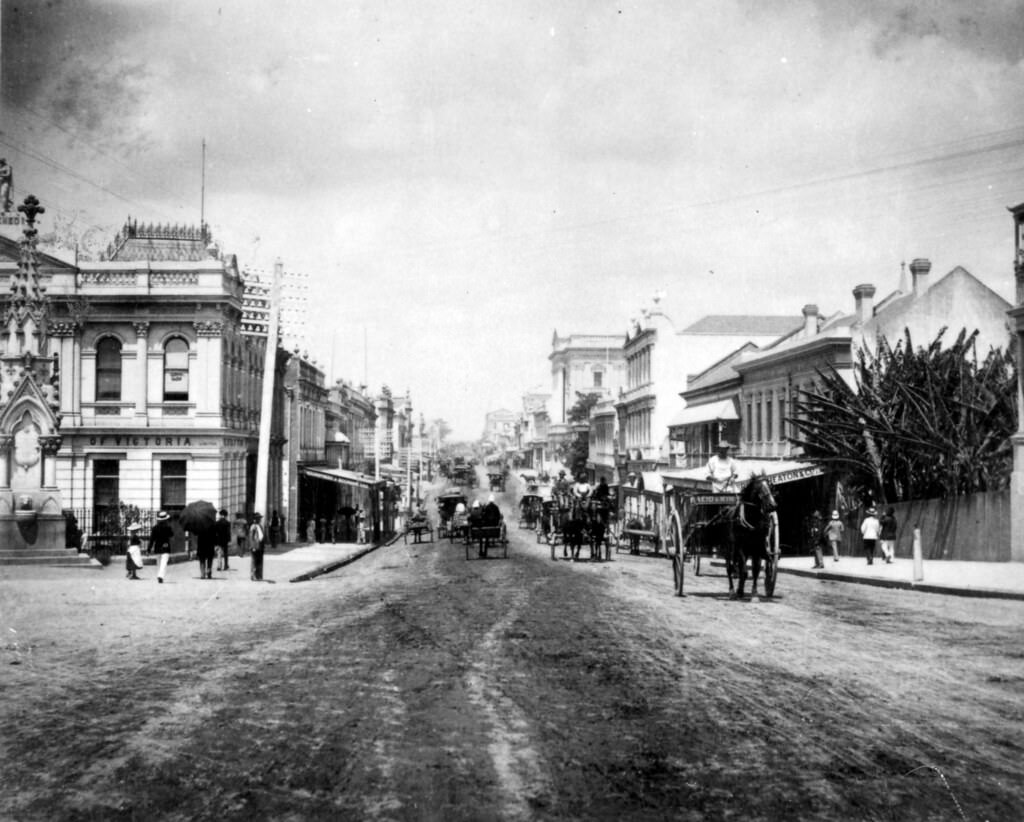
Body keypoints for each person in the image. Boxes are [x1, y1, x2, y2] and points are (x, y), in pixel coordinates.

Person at [149, 511, 174, 584]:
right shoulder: (168, 527)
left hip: (157, 547)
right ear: (166, 519)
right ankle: (160, 576)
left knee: (159, 563)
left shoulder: (155, 528)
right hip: (166, 546)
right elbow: (171, 535)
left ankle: (159, 575)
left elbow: (152, 539)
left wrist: (149, 549)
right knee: (164, 563)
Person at [249, 512, 266, 581]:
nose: (259, 519)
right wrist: (253, 546)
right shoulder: (253, 526)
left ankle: (259, 575)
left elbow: (262, 536)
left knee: (259, 561)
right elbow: (251, 537)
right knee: (254, 561)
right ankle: (253, 575)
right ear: (255, 519)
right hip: (255, 546)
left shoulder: (260, 526)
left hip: (260, 545)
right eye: (258, 518)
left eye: (259, 518)